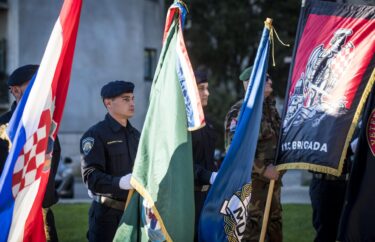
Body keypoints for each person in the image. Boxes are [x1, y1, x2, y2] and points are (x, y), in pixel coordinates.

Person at [0, 65, 61, 242]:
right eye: (35, 86)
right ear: (16, 91)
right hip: (10, 216)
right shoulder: (3, 126)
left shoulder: (47, 124)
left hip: (41, 215)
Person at [224, 66, 282, 242]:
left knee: (274, 231)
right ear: (251, 83)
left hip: (273, 187)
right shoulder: (241, 111)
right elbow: (235, 152)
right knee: (252, 235)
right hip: (253, 190)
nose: (270, 81)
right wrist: (264, 170)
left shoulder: (270, 109)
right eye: (266, 79)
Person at [80, 80, 140, 242]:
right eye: (126, 99)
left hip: (135, 212)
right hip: (107, 215)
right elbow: (90, 177)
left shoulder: (136, 136)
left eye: (133, 98)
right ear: (108, 103)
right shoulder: (95, 135)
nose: (132, 103)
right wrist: (119, 182)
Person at [191, 71, 218, 241]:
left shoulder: (208, 124)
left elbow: (208, 159)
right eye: (201, 88)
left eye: (207, 88)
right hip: (188, 198)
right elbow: (183, 164)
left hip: (208, 197)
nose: (206, 93)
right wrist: (209, 176)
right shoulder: (183, 125)